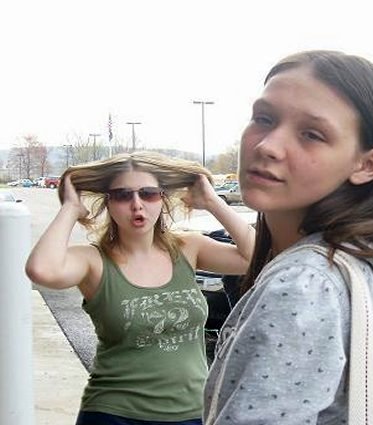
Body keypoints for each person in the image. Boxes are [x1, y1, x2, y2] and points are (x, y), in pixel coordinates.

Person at [203, 50, 373, 424]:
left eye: (312, 134)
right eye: (264, 118)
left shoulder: (306, 284)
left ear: (367, 164)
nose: (267, 146)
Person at [25, 151, 255, 425]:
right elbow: (42, 270)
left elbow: (257, 256)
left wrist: (212, 202)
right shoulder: (93, 260)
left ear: (162, 199)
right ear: (108, 203)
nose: (137, 205)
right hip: (114, 415)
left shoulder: (188, 248)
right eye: (123, 195)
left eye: (148, 194)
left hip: (191, 413)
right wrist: (70, 209)